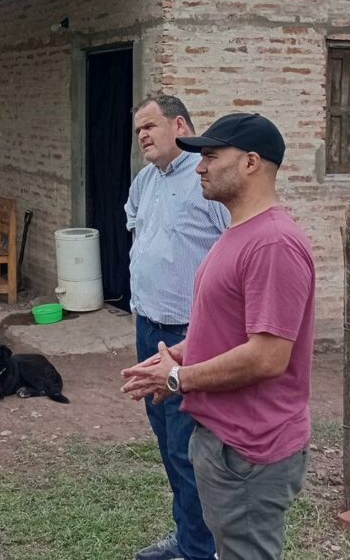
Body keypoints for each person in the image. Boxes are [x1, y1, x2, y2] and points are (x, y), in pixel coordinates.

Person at [122, 113, 314, 560]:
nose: (201, 167)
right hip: (226, 443)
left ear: (250, 163)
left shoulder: (272, 244)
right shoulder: (238, 232)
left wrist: (179, 379)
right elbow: (228, 329)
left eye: (210, 155)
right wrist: (176, 356)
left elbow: (268, 356)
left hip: (251, 450)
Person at [124, 96, 229, 560]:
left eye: (150, 126)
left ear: (180, 124)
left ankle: (199, 549)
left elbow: (233, 251)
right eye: (138, 130)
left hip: (191, 335)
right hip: (149, 329)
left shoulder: (207, 181)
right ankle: (188, 537)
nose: (143, 136)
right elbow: (140, 235)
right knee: (166, 441)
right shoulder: (144, 182)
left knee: (188, 446)